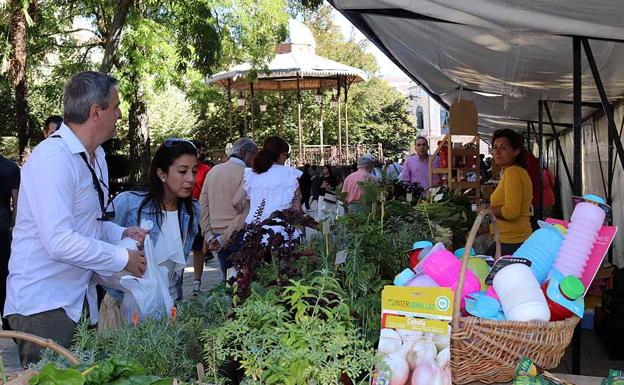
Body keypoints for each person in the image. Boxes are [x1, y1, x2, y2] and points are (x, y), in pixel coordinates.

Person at [4, 71, 148, 366]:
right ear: (96, 112)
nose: (120, 114)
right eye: (116, 106)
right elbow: (58, 241)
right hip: (44, 306)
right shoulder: (53, 158)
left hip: (76, 300)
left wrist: (122, 232)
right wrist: (122, 258)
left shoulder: (96, 158)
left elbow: (90, 223)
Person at [111, 139, 200, 302]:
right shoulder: (128, 203)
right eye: (182, 171)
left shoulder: (192, 210)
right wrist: (117, 298)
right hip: (131, 309)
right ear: (162, 174)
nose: (190, 178)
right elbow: (102, 249)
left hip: (170, 309)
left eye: (194, 171)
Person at [200, 138, 257, 278]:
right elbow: (246, 211)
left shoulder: (213, 171)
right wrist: (224, 238)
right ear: (244, 152)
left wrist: (208, 235)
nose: (256, 158)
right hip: (238, 233)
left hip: (216, 234)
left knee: (227, 278)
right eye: (254, 154)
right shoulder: (247, 174)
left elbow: (202, 206)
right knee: (242, 281)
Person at [233, 136, 302, 240]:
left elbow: (235, 202)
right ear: (281, 154)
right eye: (286, 155)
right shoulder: (291, 175)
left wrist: (244, 212)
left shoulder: (252, 174)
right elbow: (296, 209)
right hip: (283, 233)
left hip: (255, 233)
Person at [487, 129, 533, 256]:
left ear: (516, 151)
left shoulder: (513, 172)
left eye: (503, 148)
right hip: (511, 240)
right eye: (495, 147)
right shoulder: (514, 172)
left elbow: (511, 212)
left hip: (511, 242)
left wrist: (487, 210)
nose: (497, 151)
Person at [190, 140, 212, 295]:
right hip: (182, 209)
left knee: (198, 249)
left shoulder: (206, 169)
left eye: (204, 149)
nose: (202, 152)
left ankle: (197, 283)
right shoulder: (182, 168)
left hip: (199, 210)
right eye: (199, 150)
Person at [0, 154, 19, 324]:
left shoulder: (9, 168)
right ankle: (8, 323)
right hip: (3, 230)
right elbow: (17, 201)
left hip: (3, 230)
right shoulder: (10, 167)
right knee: (4, 278)